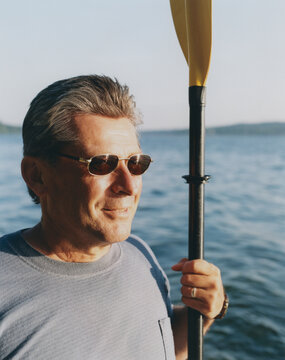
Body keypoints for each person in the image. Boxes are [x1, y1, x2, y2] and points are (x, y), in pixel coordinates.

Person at [0, 75, 227, 360]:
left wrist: (204, 312)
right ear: (37, 175)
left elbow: (164, 348)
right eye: (102, 164)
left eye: (136, 163)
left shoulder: (141, 255)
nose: (129, 186)